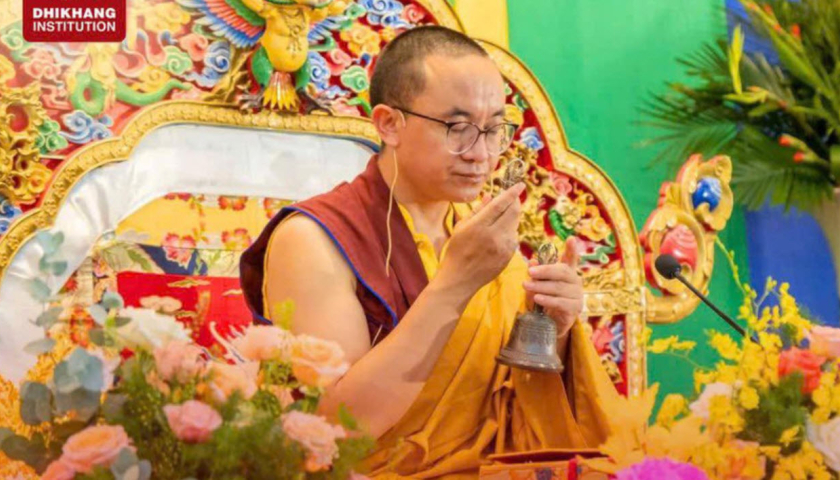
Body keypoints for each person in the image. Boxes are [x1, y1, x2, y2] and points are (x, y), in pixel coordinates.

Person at [240, 25, 619, 479]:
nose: (481, 154)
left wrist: (553, 330)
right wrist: (455, 284)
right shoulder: (316, 238)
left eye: (494, 129)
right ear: (389, 124)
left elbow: (511, 408)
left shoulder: (478, 230)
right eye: (458, 128)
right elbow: (338, 430)